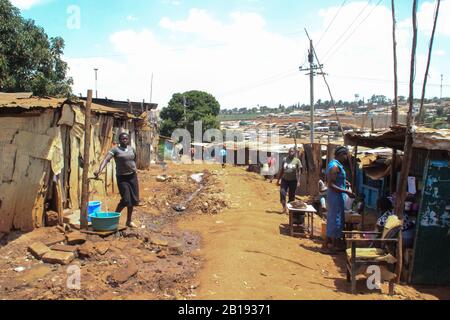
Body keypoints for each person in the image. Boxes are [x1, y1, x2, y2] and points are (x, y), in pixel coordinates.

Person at [95, 132, 140, 228]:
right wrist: (99, 170)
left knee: (133, 200)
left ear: (128, 140)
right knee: (126, 199)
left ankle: (129, 221)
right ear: (119, 140)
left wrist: (133, 168)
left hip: (132, 176)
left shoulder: (132, 149)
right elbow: (106, 159)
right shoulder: (115, 150)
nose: (125, 140)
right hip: (122, 177)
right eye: (122, 139)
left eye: (126, 139)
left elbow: (135, 159)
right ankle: (114, 217)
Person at [323, 146, 355, 252]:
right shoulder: (335, 166)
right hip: (335, 196)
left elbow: (336, 180)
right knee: (334, 220)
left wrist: (344, 182)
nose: (346, 157)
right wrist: (346, 191)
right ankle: (332, 245)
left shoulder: (336, 165)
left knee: (334, 219)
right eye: (346, 155)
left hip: (336, 196)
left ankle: (327, 244)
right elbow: (331, 184)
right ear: (341, 155)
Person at [277, 148, 302, 214]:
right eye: (290, 151)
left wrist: (299, 181)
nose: (291, 153)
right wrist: (278, 180)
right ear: (288, 152)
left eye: (292, 151)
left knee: (292, 196)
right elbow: (282, 170)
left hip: (293, 181)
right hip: (284, 180)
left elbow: (299, 171)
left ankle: (290, 209)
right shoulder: (284, 159)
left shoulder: (297, 161)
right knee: (282, 192)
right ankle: (284, 207)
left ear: (294, 153)